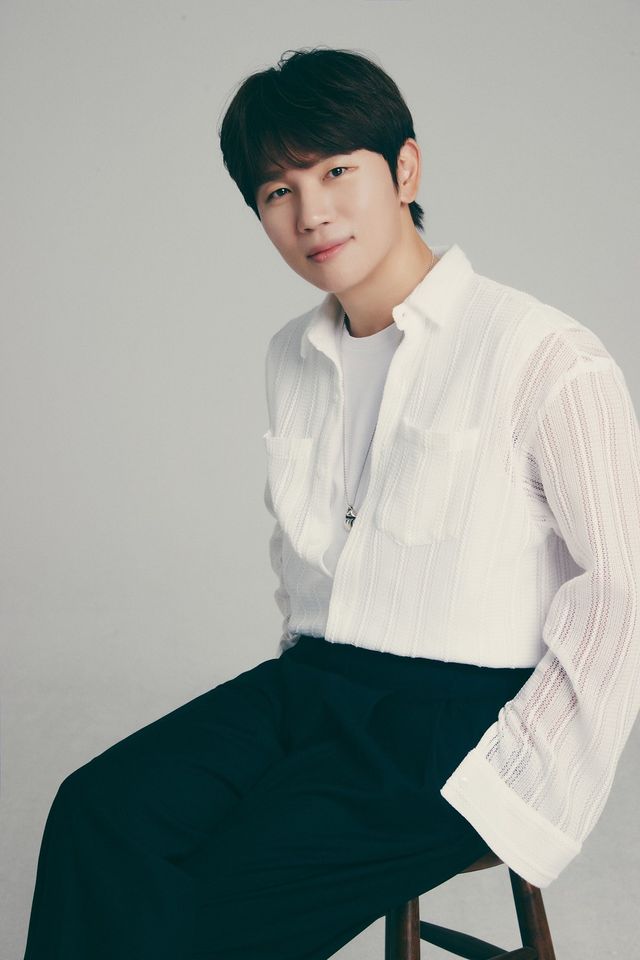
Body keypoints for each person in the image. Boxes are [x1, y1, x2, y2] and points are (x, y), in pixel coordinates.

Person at [23, 45, 640, 960]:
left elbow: (621, 593)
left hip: (458, 719)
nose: (310, 212)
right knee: (96, 815)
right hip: (311, 684)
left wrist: (520, 780)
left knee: (217, 904)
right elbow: (305, 558)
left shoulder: (542, 354)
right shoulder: (291, 355)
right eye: (279, 191)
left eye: (336, 171)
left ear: (405, 170)